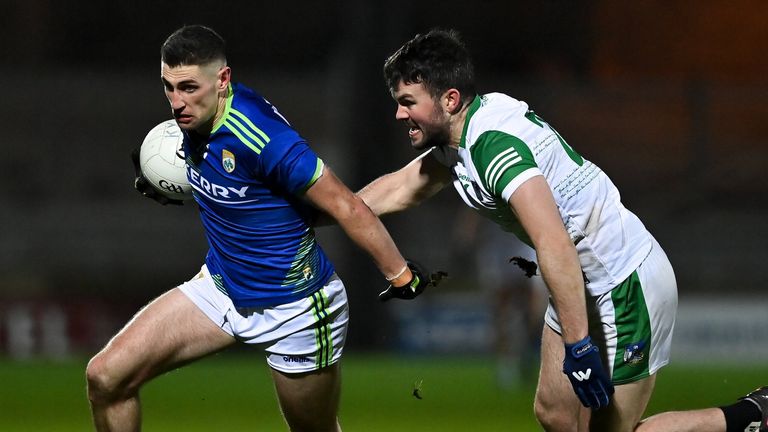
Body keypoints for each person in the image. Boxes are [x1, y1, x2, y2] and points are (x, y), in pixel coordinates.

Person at [356, 28, 768, 432]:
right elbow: (401, 186)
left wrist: (579, 344)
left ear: (449, 99)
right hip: (578, 282)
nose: (399, 114)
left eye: (408, 102)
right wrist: (320, 208)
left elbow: (552, 239)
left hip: (624, 283)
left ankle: (748, 416)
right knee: (554, 413)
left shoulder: (493, 146)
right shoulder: (466, 129)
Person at [85, 24, 432, 432]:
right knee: (105, 377)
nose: (177, 102)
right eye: (169, 87)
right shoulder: (193, 123)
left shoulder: (264, 136)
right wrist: (175, 185)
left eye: (189, 87)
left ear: (223, 80)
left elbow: (346, 205)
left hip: (296, 309)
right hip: (222, 288)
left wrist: (401, 274)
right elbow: (237, 190)